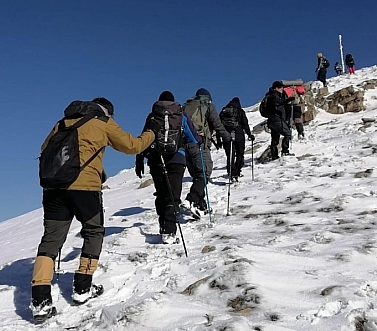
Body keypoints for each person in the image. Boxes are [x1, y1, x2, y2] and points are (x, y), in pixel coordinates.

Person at [31, 98, 155, 323]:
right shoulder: (102, 121)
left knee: (50, 241)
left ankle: (40, 300)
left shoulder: (62, 123)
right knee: (93, 231)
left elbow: (44, 149)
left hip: (53, 189)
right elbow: (132, 146)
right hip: (85, 190)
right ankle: (82, 288)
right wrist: (152, 134)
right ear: (107, 110)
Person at [135, 91, 200, 244]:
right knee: (173, 195)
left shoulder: (152, 116)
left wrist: (139, 158)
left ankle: (163, 226)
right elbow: (193, 138)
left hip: (156, 158)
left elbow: (145, 138)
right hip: (177, 158)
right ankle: (169, 232)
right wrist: (200, 138)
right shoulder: (181, 115)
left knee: (162, 193)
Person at [182, 88, 231, 217]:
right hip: (199, 143)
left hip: (184, 146)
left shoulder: (185, 106)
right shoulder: (208, 106)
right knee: (204, 172)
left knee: (198, 175)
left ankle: (200, 206)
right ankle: (191, 199)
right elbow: (217, 124)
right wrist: (226, 137)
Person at [218, 97, 254, 181]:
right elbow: (245, 124)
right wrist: (249, 134)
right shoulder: (240, 111)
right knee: (239, 154)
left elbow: (218, 126)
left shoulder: (223, 112)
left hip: (226, 135)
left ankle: (231, 173)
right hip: (238, 134)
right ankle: (237, 171)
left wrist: (219, 139)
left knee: (230, 155)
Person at [265, 81, 293, 159]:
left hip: (272, 120)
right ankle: (285, 152)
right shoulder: (274, 95)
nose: (282, 89)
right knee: (287, 133)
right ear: (276, 88)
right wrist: (287, 100)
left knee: (275, 139)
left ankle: (274, 156)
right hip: (277, 119)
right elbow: (278, 102)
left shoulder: (270, 95)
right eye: (281, 87)